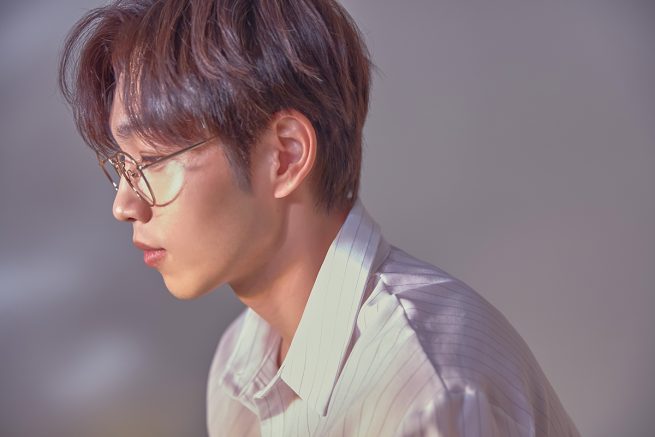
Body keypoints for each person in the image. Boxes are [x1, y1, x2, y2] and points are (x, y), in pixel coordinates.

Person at [59, 0, 580, 435]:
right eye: (122, 164)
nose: (124, 205)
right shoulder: (237, 366)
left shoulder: (425, 387)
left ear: (284, 156)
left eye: (152, 161)